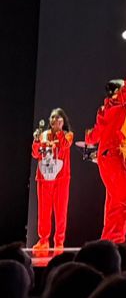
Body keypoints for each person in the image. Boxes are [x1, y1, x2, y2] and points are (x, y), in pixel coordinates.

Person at [85, 40, 126, 244]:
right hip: (116, 155)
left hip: (106, 157)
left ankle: (107, 242)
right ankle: (117, 242)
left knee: (114, 203)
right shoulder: (121, 101)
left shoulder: (104, 109)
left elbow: (94, 136)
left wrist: (87, 138)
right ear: (118, 92)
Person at [31, 109, 74, 254]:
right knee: (43, 210)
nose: (55, 120)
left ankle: (59, 242)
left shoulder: (68, 135)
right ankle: (43, 241)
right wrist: (37, 141)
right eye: (53, 118)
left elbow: (64, 145)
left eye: (58, 118)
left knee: (61, 211)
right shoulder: (43, 135)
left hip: (61, 178)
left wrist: (59, 131)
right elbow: (35, 153)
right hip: (44, 176)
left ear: (63, 121)